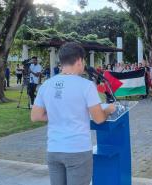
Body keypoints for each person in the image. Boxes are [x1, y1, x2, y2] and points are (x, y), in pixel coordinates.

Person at [30, 42, 116, 185]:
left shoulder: (46, 84)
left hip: (54, 149)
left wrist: (60, 114)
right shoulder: (86, 86)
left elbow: (36, 116)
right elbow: (99, 118)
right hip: (78, 150)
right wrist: (109, 109)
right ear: (79, 60)